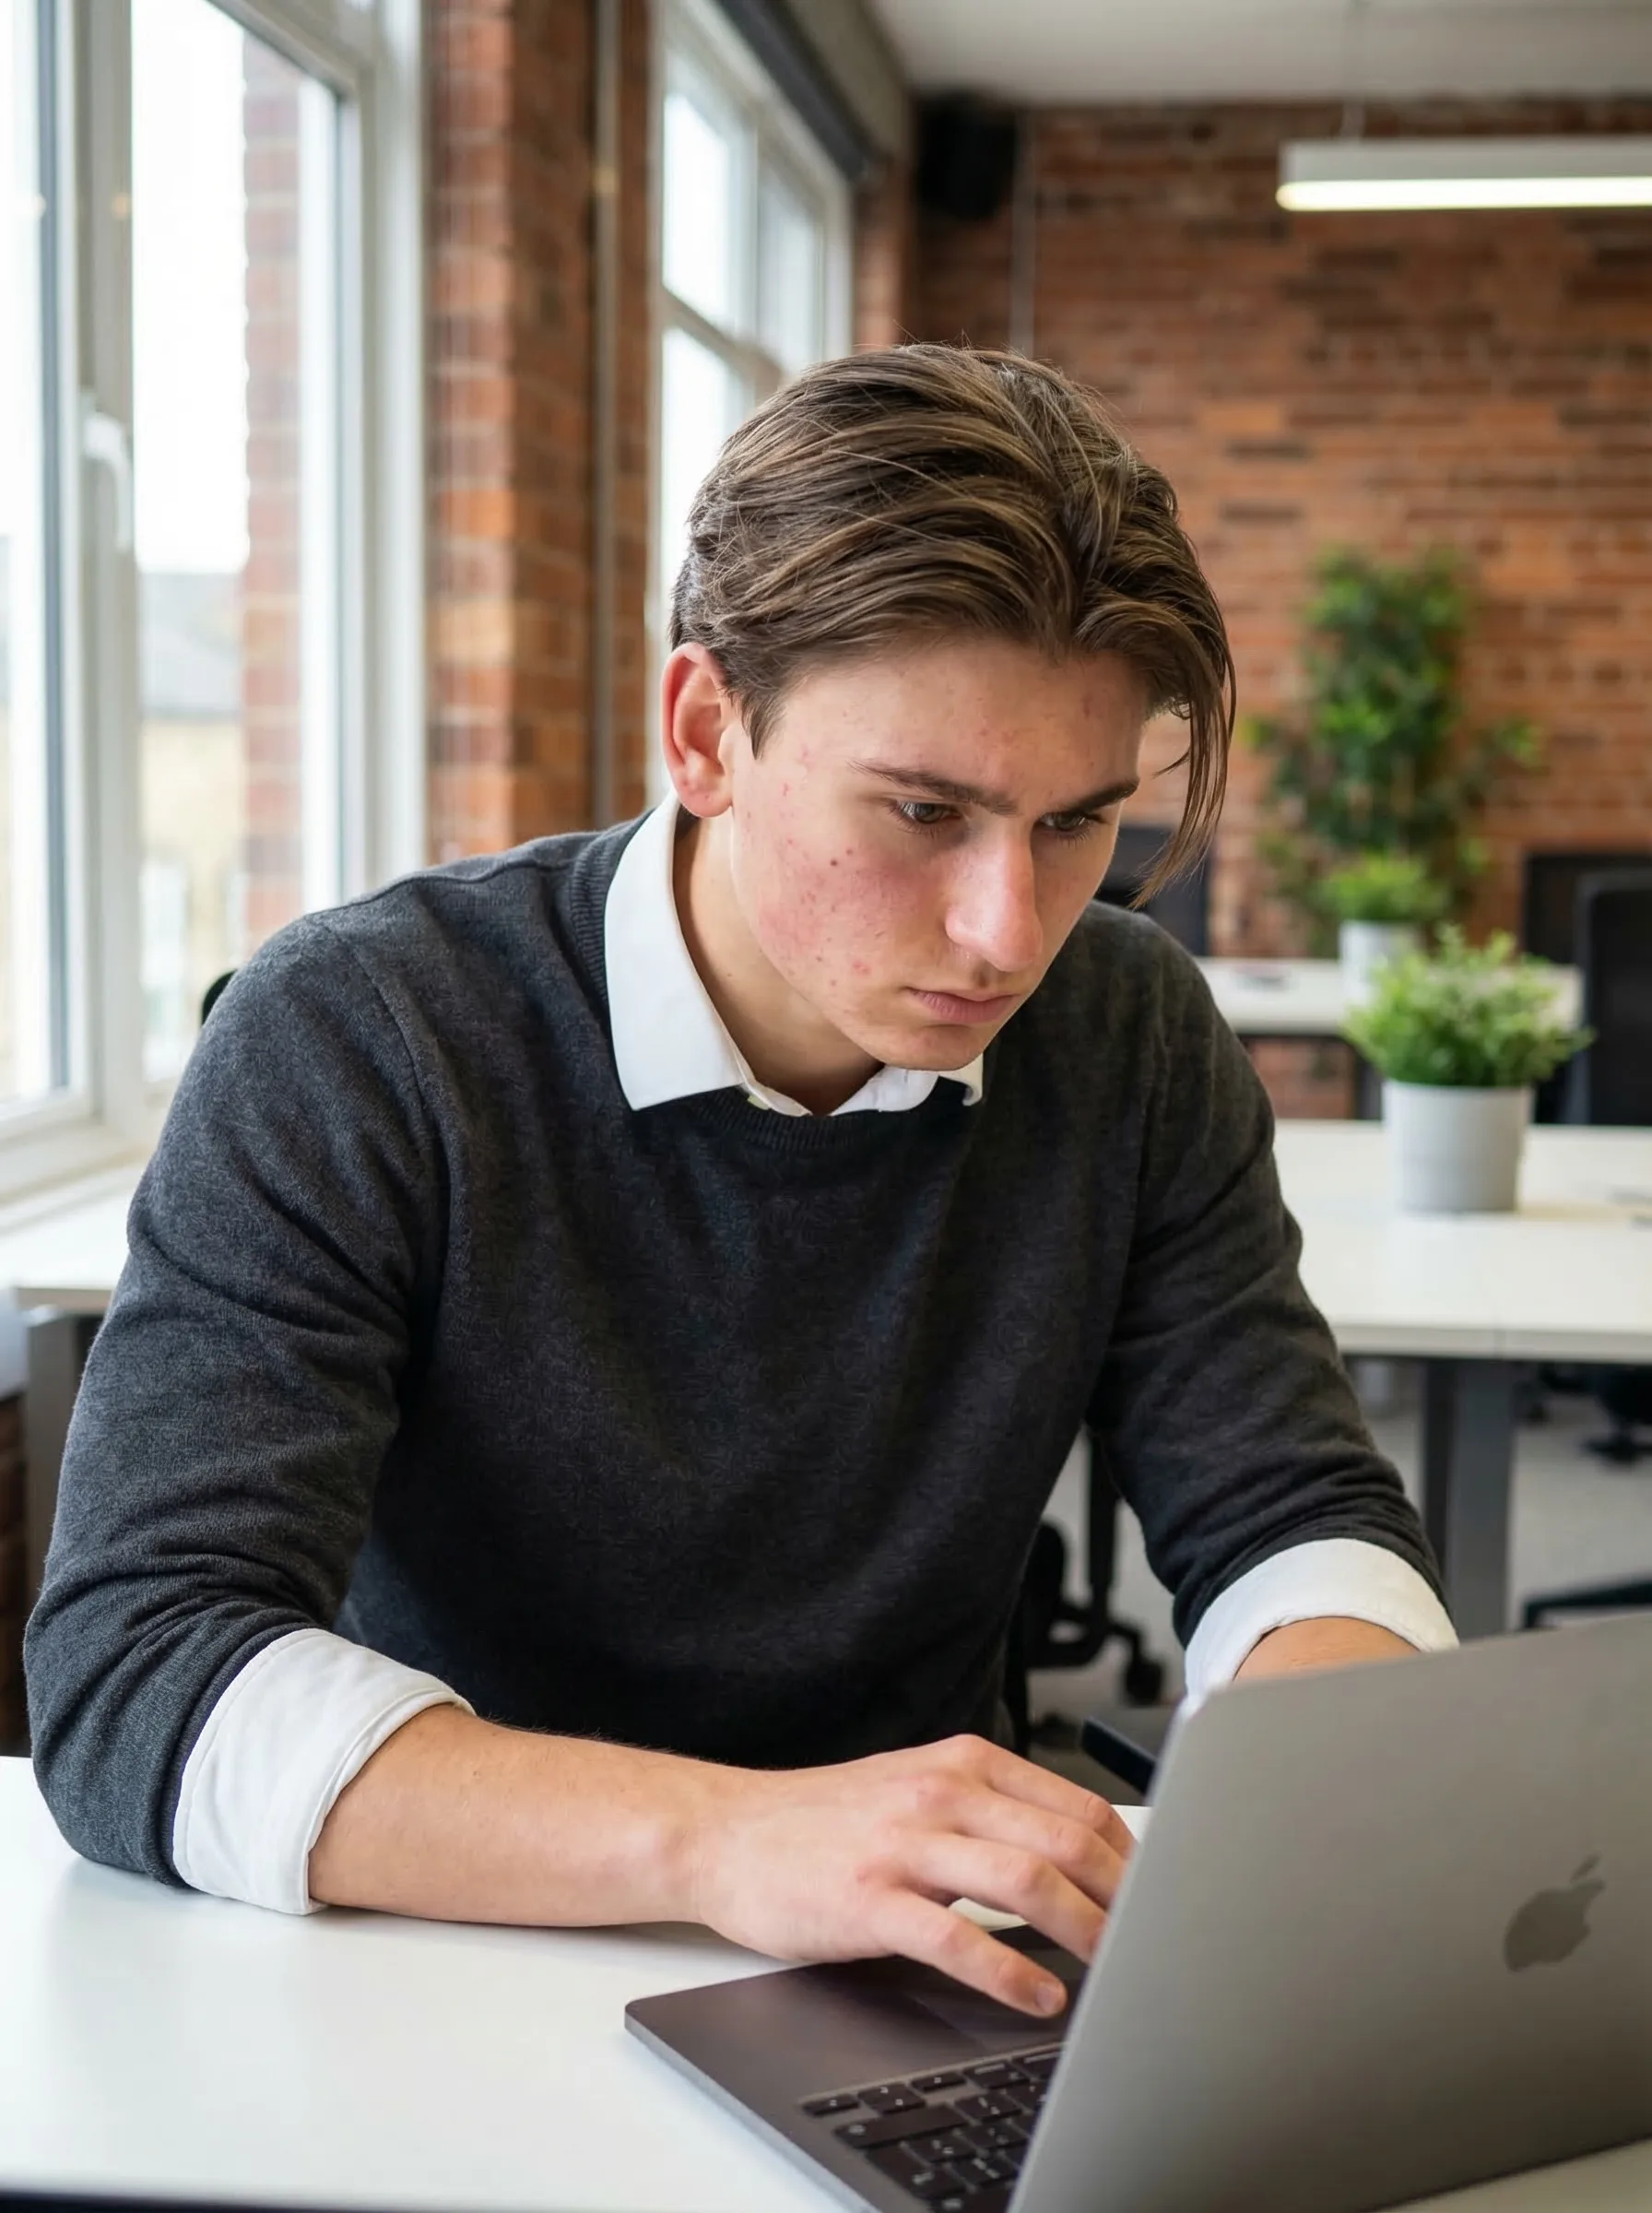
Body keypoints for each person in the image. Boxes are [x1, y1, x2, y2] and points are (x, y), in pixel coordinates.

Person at [27, 346, 1453, 2021]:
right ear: (706, 732)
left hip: (925, 1962)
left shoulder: (1130, 1033)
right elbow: (140, 1671)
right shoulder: (365, 1034)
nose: (1013, 931)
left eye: (1080, 826)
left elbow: (1294, 1518)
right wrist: (730, 1842)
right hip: (434, 1948)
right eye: (926, 811)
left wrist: (1323, 1787)